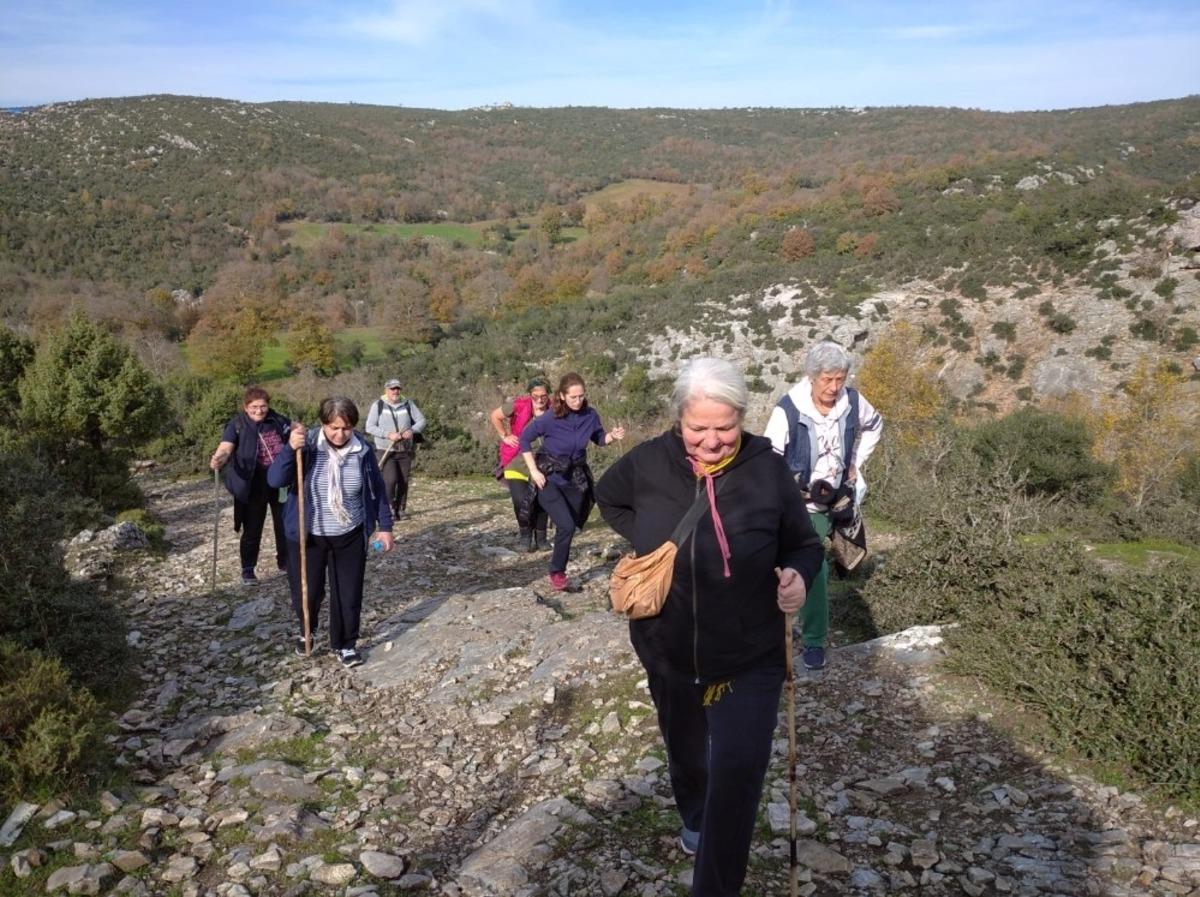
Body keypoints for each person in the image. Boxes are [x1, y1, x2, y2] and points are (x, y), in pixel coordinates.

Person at [595, 357, 823, 897]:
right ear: (679, 419)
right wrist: (650, 542)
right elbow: (608, 497)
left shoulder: (767, 469)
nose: (714, 441)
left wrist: (798, 575)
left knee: (738, 777)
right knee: (688, 750)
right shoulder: (649, 463)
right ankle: (693, 813)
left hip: (752, 654)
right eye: (699, 429)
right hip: (668, 648)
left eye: (726, 428)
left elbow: (803, 543)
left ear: (743, 417)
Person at [764, 340, 883, 671]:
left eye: (840, 379)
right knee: (813, 565)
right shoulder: (788, 410)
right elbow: (770, 459)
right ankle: (814, 640)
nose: (834, 387)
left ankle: (812, 624)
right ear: (811, 377)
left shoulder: (853, 402)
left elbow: (875, 426)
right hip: (802, 505)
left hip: (839, 497)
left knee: (845, 559)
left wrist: (857, 462)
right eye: (827, 380)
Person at [268, 397, 394, 669]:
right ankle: (307, 630)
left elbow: (377, 491)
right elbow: (275, 480)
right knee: (308, 592)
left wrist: (385, 527)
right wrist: (290, 450)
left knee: (348, 593)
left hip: (349, 533)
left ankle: (346, 643)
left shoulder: (363, 450)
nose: (340, 434)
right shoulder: (307, 446)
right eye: (333, 428)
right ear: (323, 424)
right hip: (308, 535)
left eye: (346, 428)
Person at [519, 372, 625, 591]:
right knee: (566, 525)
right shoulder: (549, 418)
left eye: (581, 396)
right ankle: (557, 572)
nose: (578, 401)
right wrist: (533, 471)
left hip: (575, 478)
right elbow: (524, 440)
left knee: (573, 524)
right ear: (562, 396)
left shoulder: (590, 415)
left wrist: (612, 436)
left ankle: (551, 530)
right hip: (549, 477)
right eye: (573, 397)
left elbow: (598, 438)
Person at [210, 386, 292, 584]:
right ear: (245, 407)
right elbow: (226, 446)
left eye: (263, 406)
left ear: (268, 405)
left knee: (285, 525)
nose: (259, 410)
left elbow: (295, 435)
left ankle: (285, 562)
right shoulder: (237, 424)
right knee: (253, 527)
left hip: (279, 482)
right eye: (254, 407)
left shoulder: (278, 421)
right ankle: (248, 569)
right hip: (252, 484)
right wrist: (219, 459)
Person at [489, 378, 552, 551]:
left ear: (549, 395)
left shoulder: (556, 410)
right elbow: (495, 416)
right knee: (520, 501)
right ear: (530, 394)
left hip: (544, 462)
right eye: (535, 396)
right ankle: (525, 535)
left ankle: (541, 537)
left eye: (544, 396)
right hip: (516, 460)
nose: (539, 400)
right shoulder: (518, 406)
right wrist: (505, 436)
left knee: (542, 500)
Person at [364, 379, 426, 520]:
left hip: (405, 449)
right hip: (385, 449)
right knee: (390, 480)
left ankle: (401, 509)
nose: (395, 391)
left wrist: (412, 430)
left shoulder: (408, 404)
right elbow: (370, 427)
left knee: (403, 481)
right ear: (386, 390)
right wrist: (388, 434)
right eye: (392, 389)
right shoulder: (378, 405)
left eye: (398, 388)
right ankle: (390, 508)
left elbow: (422, 420)